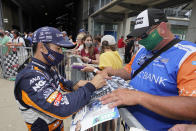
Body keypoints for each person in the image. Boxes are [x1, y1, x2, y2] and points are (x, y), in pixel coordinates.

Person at [100, 8, 196, 131]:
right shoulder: (142, 50)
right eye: (137, 35)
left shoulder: (188, 55)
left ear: (162, 28)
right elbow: (129, 71)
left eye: (143, 34)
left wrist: (139, 97)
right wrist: (110, 71)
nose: (139, 39)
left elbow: (193, 106)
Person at [14, 27, 107, 131]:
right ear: (42, 47)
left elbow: (63, 83)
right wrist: (91, 86)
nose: (61, 53)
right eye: (58, 48)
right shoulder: (28, 77)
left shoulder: (47, 67)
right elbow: (61, 106)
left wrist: (76, 85)